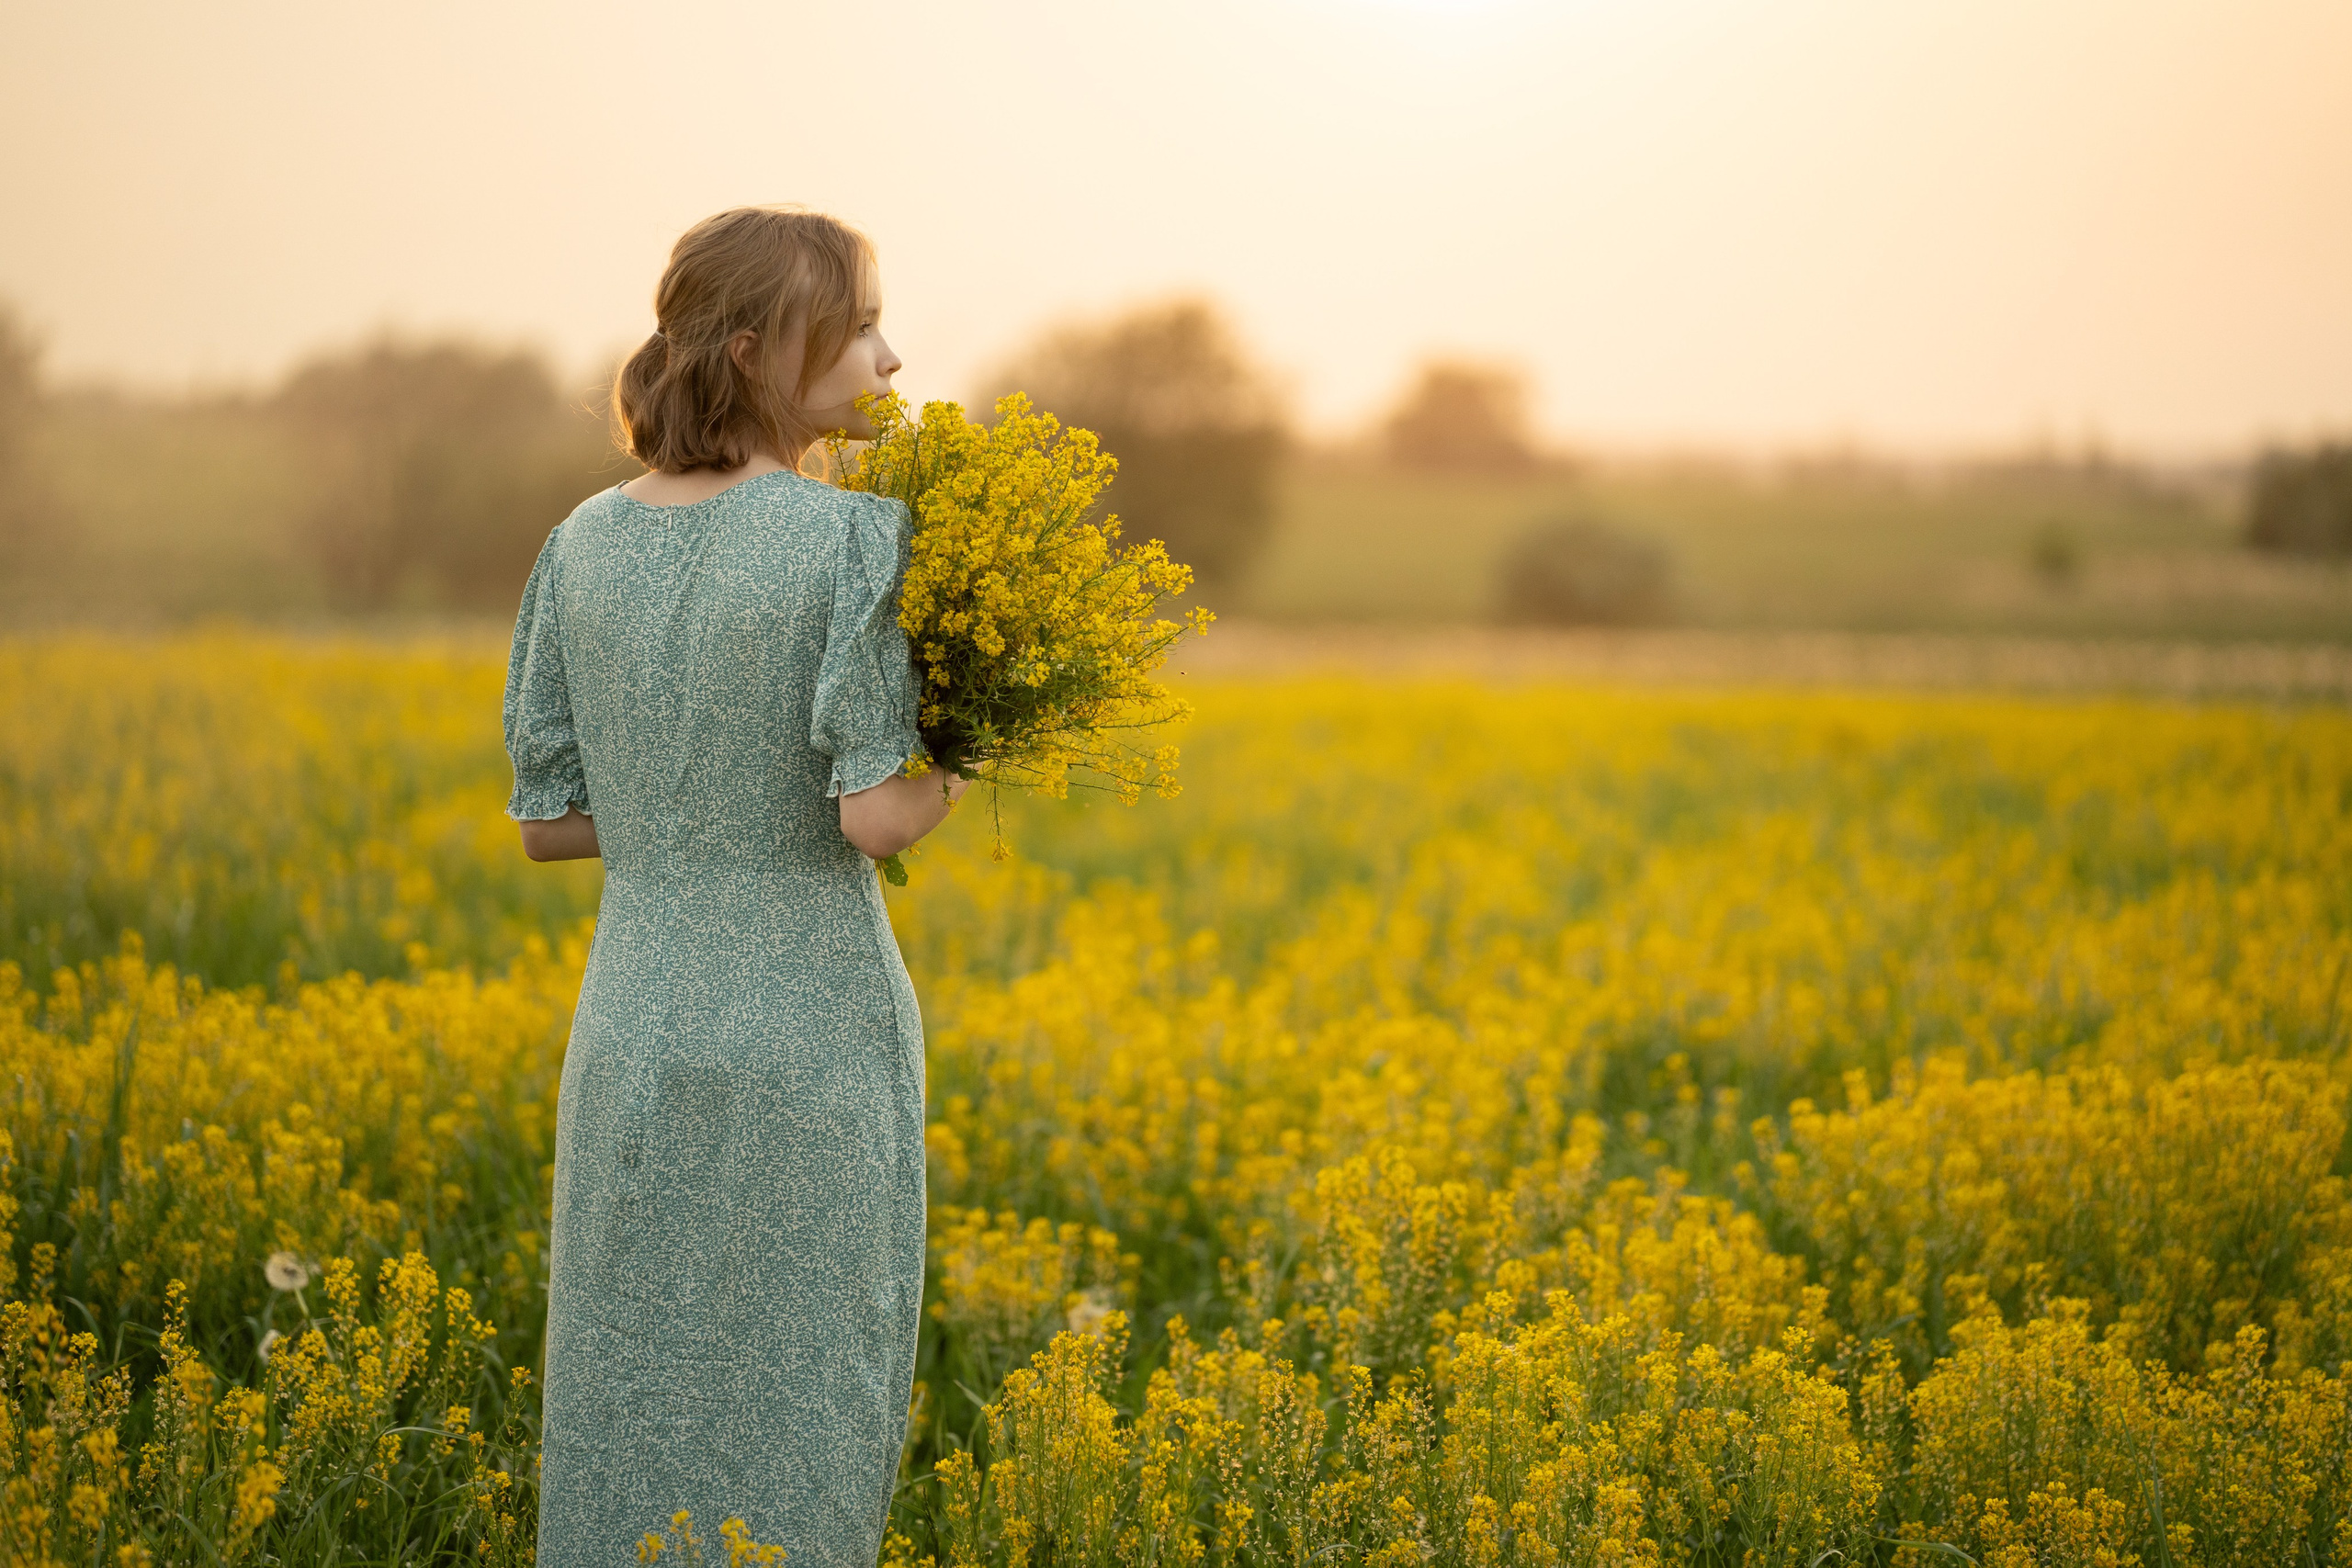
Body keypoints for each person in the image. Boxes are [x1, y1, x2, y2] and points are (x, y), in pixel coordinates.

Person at [501, 205, 966, 1567]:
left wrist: (687, 816)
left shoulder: (579, 540)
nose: (892, 357)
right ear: (763, 350)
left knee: (628, 1398)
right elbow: (878, 818)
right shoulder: (850, 540)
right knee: (801, 1408)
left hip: (634, 1024)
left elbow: (553, 821)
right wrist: (979, 748)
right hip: (809, 1031)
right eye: (863, 324)